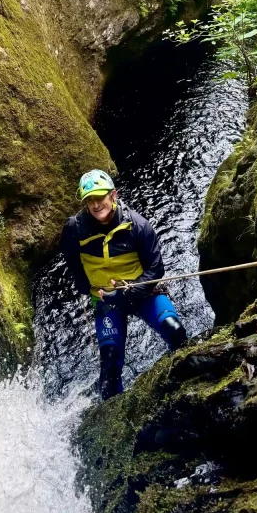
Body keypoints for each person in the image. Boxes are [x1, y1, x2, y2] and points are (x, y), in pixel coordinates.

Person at [59, 169, 188, 400]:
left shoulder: (137, 226)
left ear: (113, 195)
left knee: (175, 330)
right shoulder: (74, 230)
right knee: (108, 367)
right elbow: (72, 260)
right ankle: (114, 415)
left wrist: (129, 293)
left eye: (101, 197)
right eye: (90, 200)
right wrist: (87, 287)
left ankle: (182, 388)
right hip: (106, 299)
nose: (97, 204)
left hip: (143, 293)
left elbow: (156, 270)